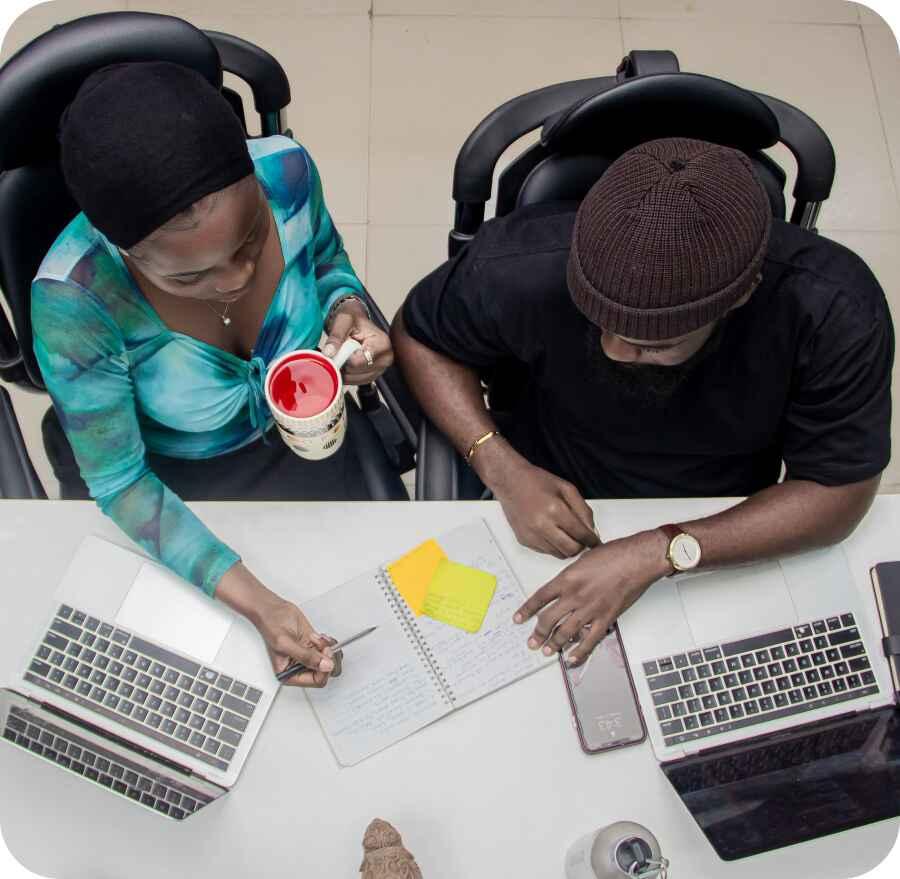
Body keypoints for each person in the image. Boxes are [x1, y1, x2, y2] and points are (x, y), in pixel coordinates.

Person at [392, 137, 894, 666]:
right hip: (541, 494)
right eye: (598, 322)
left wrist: (663, 551)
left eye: (654, 343)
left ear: (742, 295)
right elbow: (420, 336)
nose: (615, 351)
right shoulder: (521, 261)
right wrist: (498, 465)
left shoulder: (833, 309)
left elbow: (840, 492)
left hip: (722, 521)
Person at [32, 62, 393, 687]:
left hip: (311, 443)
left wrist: (347, 310)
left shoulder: (288, 171)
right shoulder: (76, 297)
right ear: (122, 251)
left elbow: (328, 260)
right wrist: (259, 604)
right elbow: (121, 485)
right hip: (177, 492)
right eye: (185, 278)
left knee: (386, 625)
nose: (235, 281)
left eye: (251, 240)